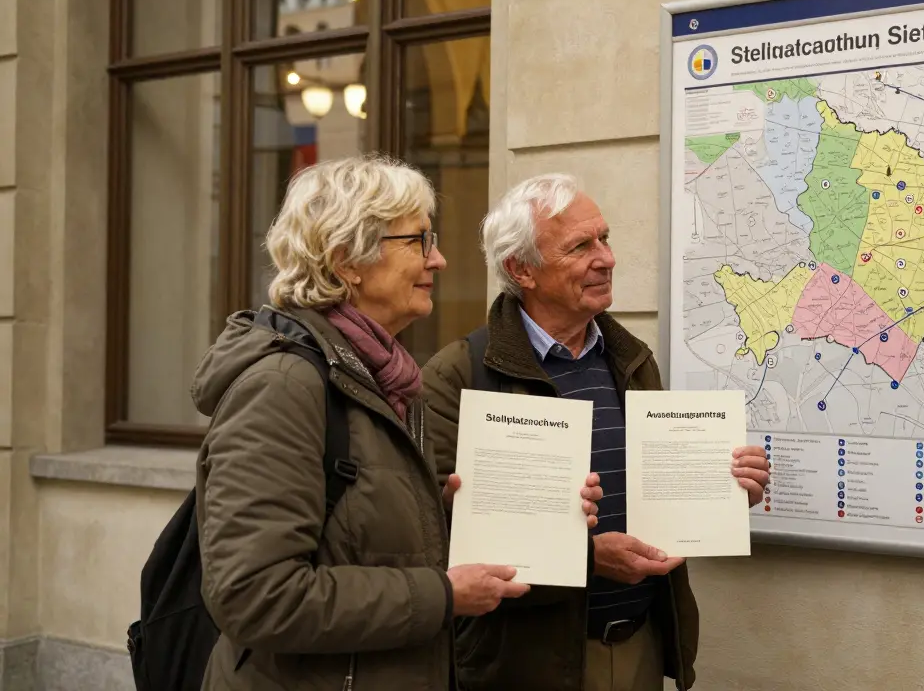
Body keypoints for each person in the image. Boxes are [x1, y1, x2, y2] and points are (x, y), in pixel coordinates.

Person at [192, 155, 603, 689]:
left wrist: (472, 508)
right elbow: (254, 595)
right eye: (419, 241)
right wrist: (446, 595)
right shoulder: (283, 386)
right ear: (347, 260)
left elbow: (361, 535)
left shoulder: (384, 378)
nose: (440, 261)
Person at [421, 173, 771, 691]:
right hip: (525, 663)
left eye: (604, 238)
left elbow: (658, 492)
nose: (605, 258)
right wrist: (590, 560)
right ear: (523, 270)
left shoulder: (630, 360)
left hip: (638, 647)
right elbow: (438, 538)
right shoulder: (461, 374)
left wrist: (725, 491)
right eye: (581, 246)